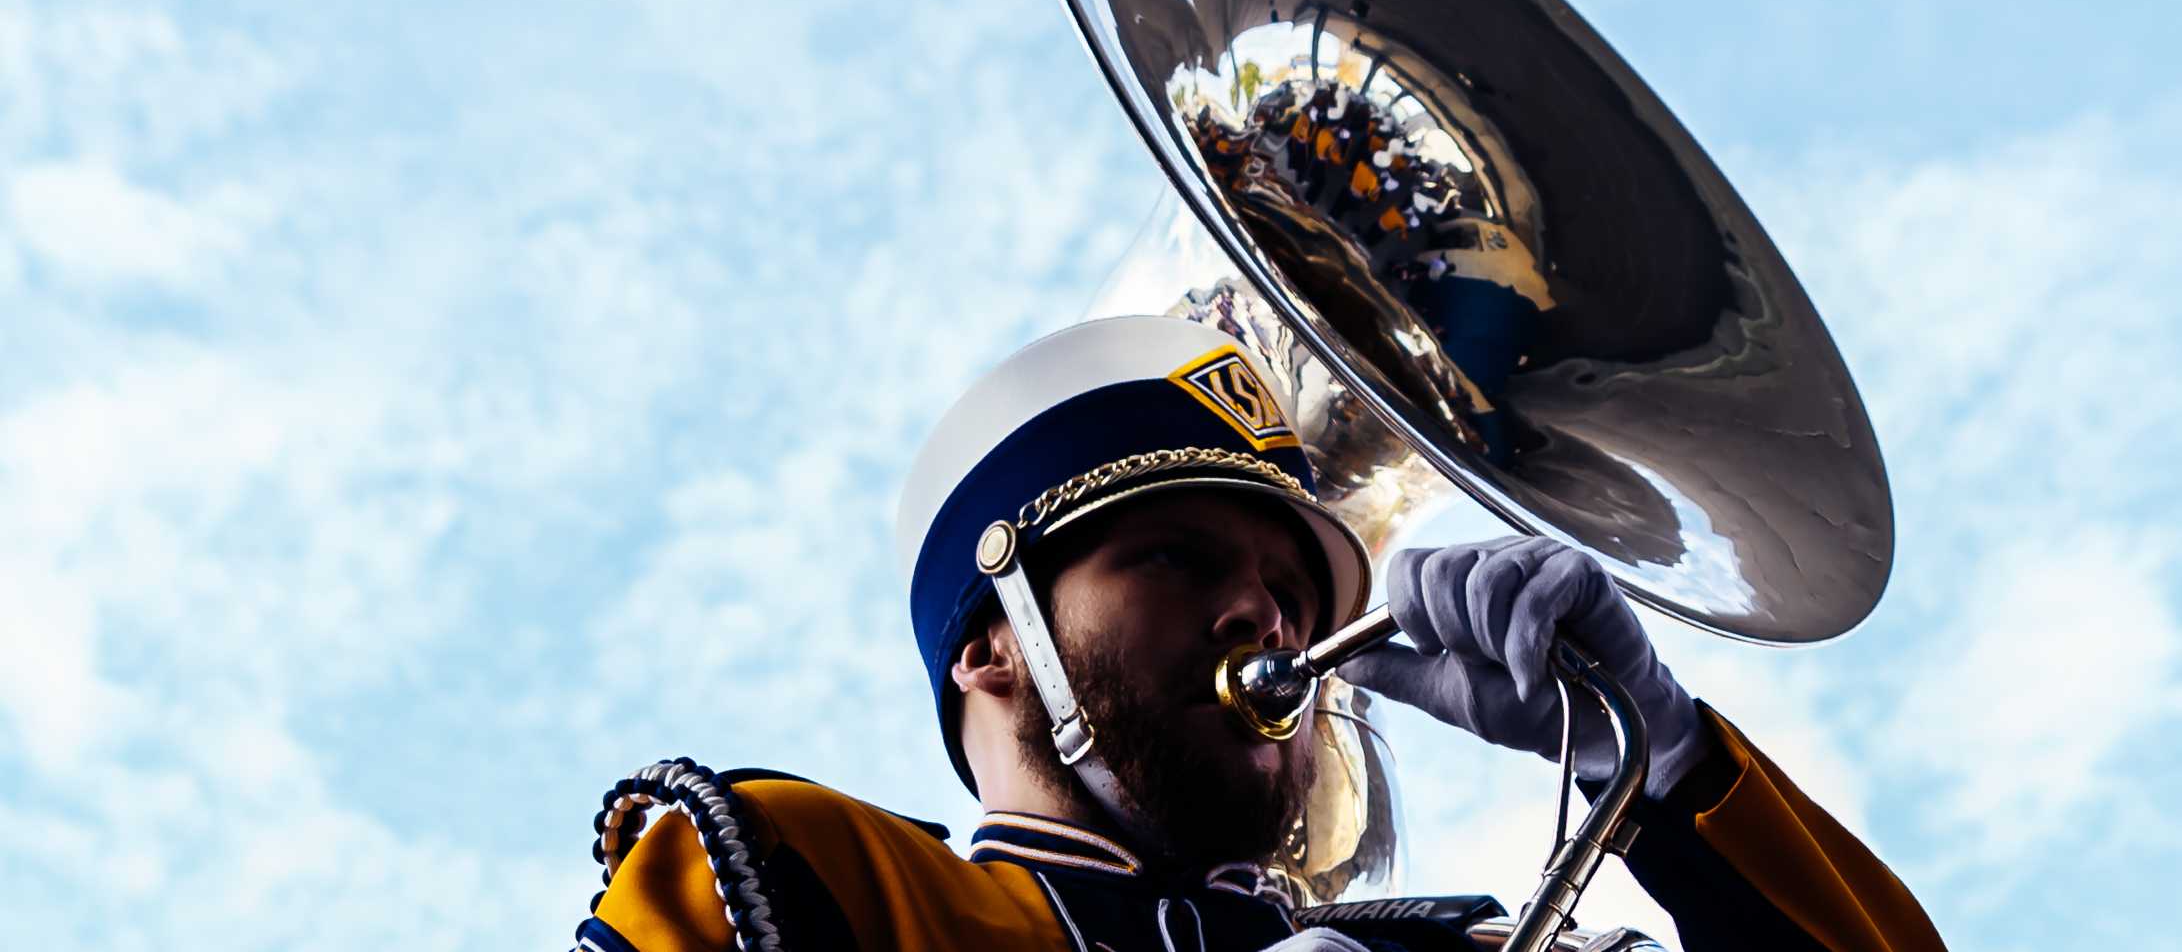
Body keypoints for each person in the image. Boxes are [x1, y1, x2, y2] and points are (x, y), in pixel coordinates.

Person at [571, 317, 1946, 952]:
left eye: (1292, 589)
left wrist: (1657, 762)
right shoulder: (807, 879)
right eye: (1172, 558)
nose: (1263, 616)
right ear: (992, 647)